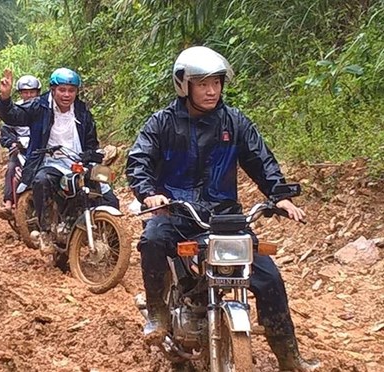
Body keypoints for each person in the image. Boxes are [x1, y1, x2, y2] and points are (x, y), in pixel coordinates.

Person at [125, 46, 320, 371]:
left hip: (225, 219)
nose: (211, 90)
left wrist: (279, 193)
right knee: (152, 240)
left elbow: (260, 159)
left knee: (269, 277)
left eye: (216, 82)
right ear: (184, 84)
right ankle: (158, 313)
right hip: (178, 213)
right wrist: (149, 194)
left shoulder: (235, 122)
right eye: (202, 83)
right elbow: (139, 160)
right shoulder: (162, 122)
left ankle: (290, 357)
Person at [0, 68, 116, 253]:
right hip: (50, 161)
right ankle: (45, 231)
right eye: (62, 90)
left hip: (78, 163)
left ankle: (113, 247)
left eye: (71, 90)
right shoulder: (39, 106)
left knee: (108, 196)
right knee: (41, 181)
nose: (67, 95)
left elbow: (91, 141)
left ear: (76, 92)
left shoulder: (83, 112)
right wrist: (5, 98)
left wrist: (93, 154)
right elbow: (13, 115)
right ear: (53, 90)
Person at [0, 75, 42, 221]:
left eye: (32, 92)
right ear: (20, 93)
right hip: (21, 151)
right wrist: (12, 143)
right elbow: (5, 133)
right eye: (25, 92)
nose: (29, 95)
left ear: (38, 92)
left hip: (40, 150)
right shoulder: (15, 110)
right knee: (11, 169)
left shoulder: (44, 108)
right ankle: (8, 204)